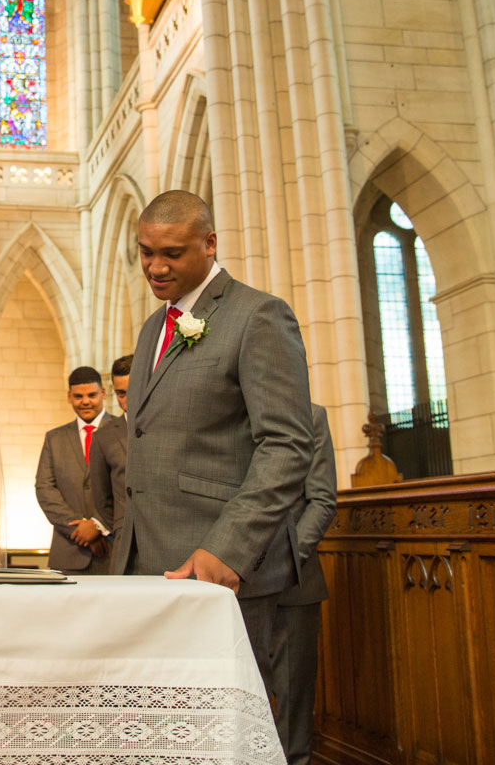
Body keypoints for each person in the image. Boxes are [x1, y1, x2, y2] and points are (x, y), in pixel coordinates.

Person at [116, 189, 314, 695]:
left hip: (220, 567)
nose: (155, 267)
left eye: (172, 254)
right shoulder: (149, 331)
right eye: (145, 251)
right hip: (145, 566)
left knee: (224, 729)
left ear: (209, 244)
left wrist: (227, 551)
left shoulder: (259, 316)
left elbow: (287, 446)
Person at [271, 404, 337, 765]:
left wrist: (289, 556)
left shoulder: (310, 416)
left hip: (292, 579)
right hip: (227, 581)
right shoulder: (221, 411)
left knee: (293, 699)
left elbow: (322, 501)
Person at [35, 366, 122, 573]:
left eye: (92, 395)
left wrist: (98, 526)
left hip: (113, 550)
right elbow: (45, 490)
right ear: (69, 397)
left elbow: (127, 487)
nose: (85, 401)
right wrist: (80, 530)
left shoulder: (123, 431)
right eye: (78, 396)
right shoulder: (54, 438)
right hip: (69, 552)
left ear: (103, 393)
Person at [89, 355, 132, 539]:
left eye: (134, 390)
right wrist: (121, 527)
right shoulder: (103, 437)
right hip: (124, 539)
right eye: (121, 394)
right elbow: (102, 499)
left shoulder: (168, 428)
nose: (128, 399)